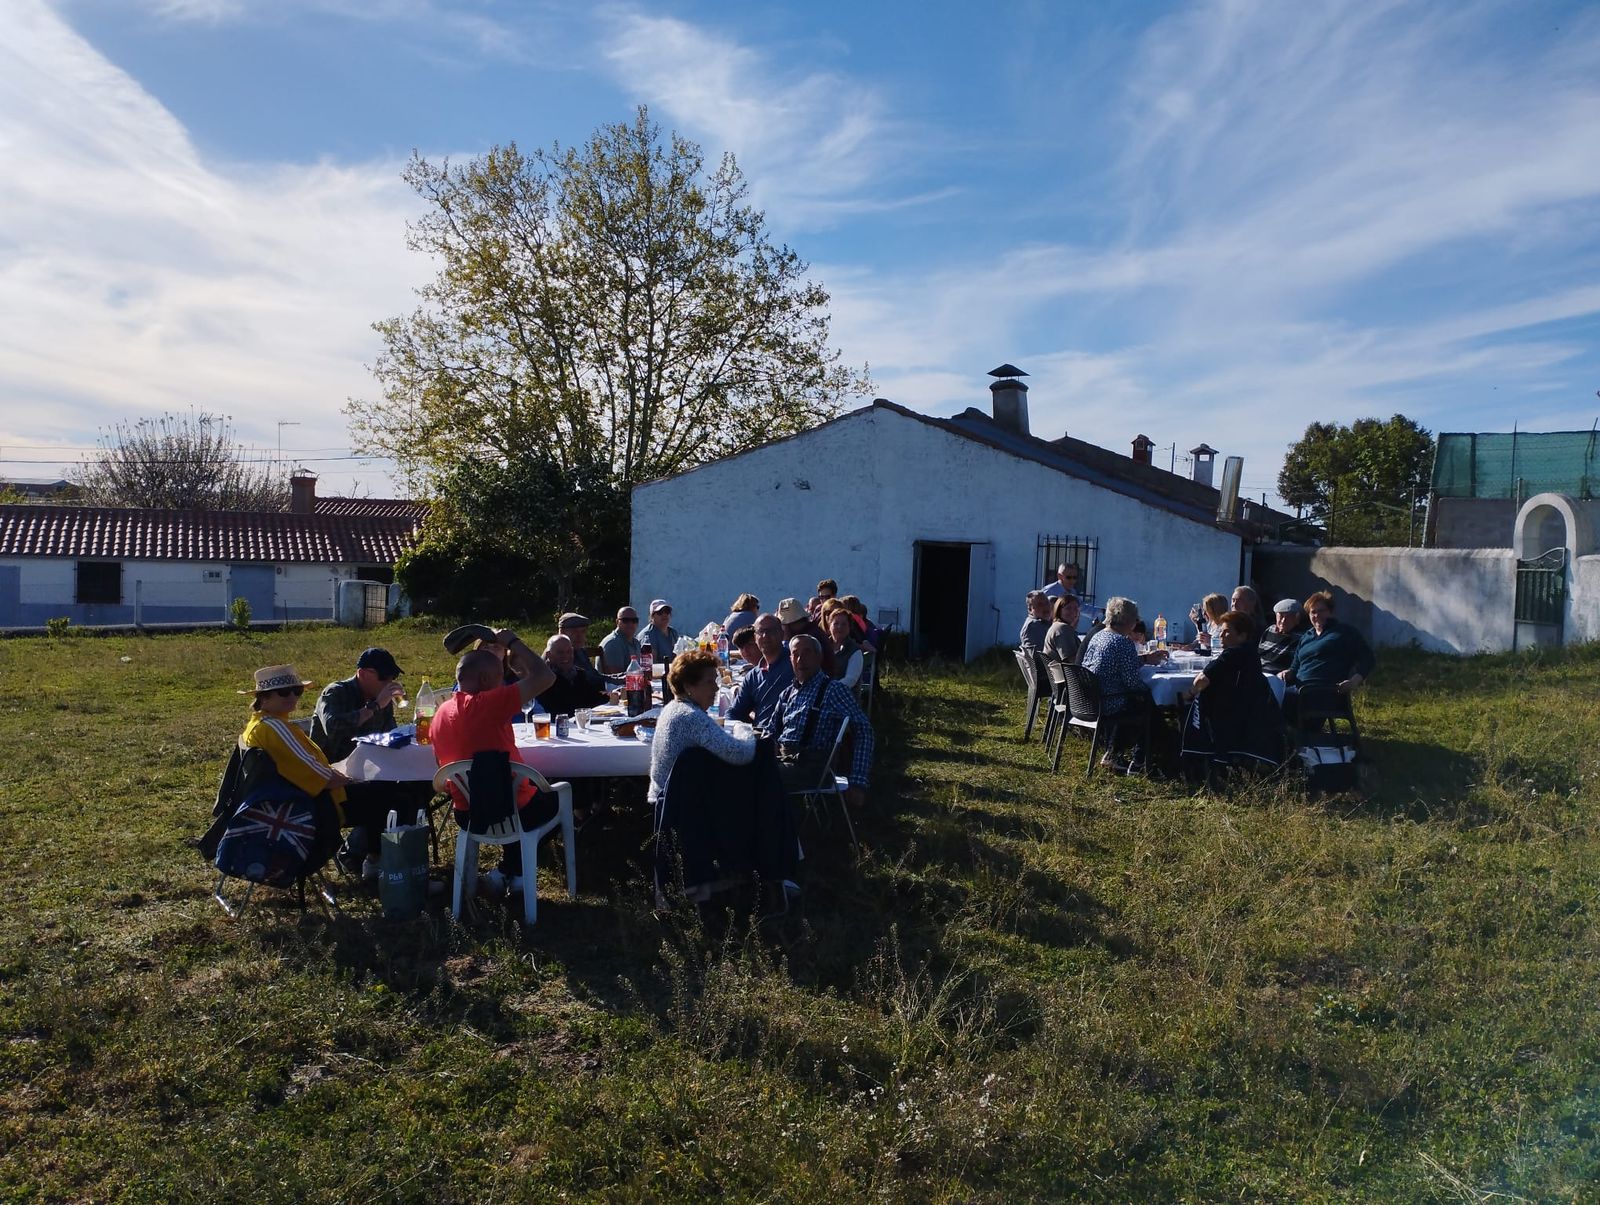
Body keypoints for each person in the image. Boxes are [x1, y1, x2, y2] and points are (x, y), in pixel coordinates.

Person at [430, 629, 557, 895]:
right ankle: (516, 873)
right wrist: (511, 641)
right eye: (501, 678)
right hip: (509, 808)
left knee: (517, 795)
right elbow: (546, 676)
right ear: (487, 679)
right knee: (559, 797)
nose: (504, 685)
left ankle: (509, 872)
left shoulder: (440, 713)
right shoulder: (489, 703)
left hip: (467, 811)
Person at [309, 647, 411, 881]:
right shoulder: (335, 693)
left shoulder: (381, 699)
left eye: (392, 678)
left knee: (416, 788)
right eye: (384, 677)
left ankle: (379, 853)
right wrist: (375, 706)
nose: (389, 682)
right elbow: (333, 726)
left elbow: (388, 734)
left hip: (370, 770)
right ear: (364, 674)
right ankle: (370, 858)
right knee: (387, 796)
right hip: (334, 775)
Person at [237, 663, 352, 830]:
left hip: (301, 795)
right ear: (264, 697)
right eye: (284, 692)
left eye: (297, 691)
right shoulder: (274, 728)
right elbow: (323, 778)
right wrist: (351, 779)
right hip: (319, 803)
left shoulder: (261, 723)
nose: (292, 697)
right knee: (390, 797)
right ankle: (364, 852)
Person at [773, 635, 875, 806]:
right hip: (784, 760)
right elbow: (771, 732)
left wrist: (858, 780)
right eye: (795, 654)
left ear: (819, 657)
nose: (800, 659)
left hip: (812, 768)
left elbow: (864, 730)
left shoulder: (833, 690)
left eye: (806, 653)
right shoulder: (787, 693)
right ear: (790, 659)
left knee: (756, 775)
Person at [647, 651, 756, 805]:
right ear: (688, 686)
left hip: (666, 796)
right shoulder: (690, 717)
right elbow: (741, 753)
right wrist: (743, 728)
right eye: (710, 682)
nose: (716, 688)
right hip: (680, 805)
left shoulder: (672, 708)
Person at [1181, 610, 1283, 773]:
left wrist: (1188, 694)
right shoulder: (1251, 653)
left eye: (1226, 631)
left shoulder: (1233, 653)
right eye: (1221, 631)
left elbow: (1202, 680)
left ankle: (1189, 759)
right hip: (1250, 709)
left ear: (1242, 635)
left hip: (1230, 712)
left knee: (1186, 706)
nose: (1221, 635)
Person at [1080, 597, 1167, 765]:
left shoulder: (1099, 636)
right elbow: (1132, 683)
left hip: (1091, 698)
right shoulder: (1123, 643)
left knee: (1141, 700)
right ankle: (1141, 759)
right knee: (1147, 702)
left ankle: (1114, 753)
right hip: (1109, 701)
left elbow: (1117, 663)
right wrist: (1151, 692)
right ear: (1128, 620)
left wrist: (1145, 659)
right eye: (1136, 619)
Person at [1280, 592, 1376, 722]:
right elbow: (1295, 666)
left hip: (1324, 692)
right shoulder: (1306, 637)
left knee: (1275, 699)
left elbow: (1368, 659)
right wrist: (1287, 673)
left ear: (1330, 612)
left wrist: (1353, 681)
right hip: (1300, 689)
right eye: (1313, 612)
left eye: (1321, 611)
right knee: (1263, 693)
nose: (1317, 615)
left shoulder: (1344, 633)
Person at [728, 613, 795, 729]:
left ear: (781, 634)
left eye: (771, 631)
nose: (765, 636)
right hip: (760, 737)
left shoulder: (795, 664)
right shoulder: (753, 675)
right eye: (761, 632)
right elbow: (734, 713)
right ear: (755, 637)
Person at [536, 634, 611, 715]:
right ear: (549, 655)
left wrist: (611, 696)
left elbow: (591, 698)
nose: (565, 656)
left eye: (569, 651)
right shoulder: (544, 680)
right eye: (560, 653)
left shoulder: (579, 674)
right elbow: (562, 707)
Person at [776, 597, 836, 676]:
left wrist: (786, 640)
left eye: (785, 625)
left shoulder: (809, 638)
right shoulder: (813, 630)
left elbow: (787, 665)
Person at [1258, 598, 1307, 674]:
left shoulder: (1301, 637)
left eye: (1288, 617)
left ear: (1297, 619)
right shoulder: (1270, 629)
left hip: (1278, 677)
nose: (1283, 620)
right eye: (1281, 616)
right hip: (1258, 672)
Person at [824, 607, 866, 688]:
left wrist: (829, 690)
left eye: (844, 624)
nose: (840, 627)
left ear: (850, 627)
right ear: (829, 626)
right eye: (836, 623)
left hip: (843, 697)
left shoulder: (855, 651)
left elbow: (851, 680)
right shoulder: (822, 646)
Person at [598, 606, 643, 674]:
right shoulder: (613, 643)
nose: (630, 624)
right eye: (625, 620)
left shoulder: (636, 643)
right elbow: (615, 677)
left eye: (634, 620)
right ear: (617, 622)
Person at [1042, 594, 1082, 666]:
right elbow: (1072, 660)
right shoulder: (1062, 629)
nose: (1073, 612)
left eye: (1076, 608)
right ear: (1059, 610)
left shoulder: (1056, 625)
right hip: (1065, 676)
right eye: (1068, 608)